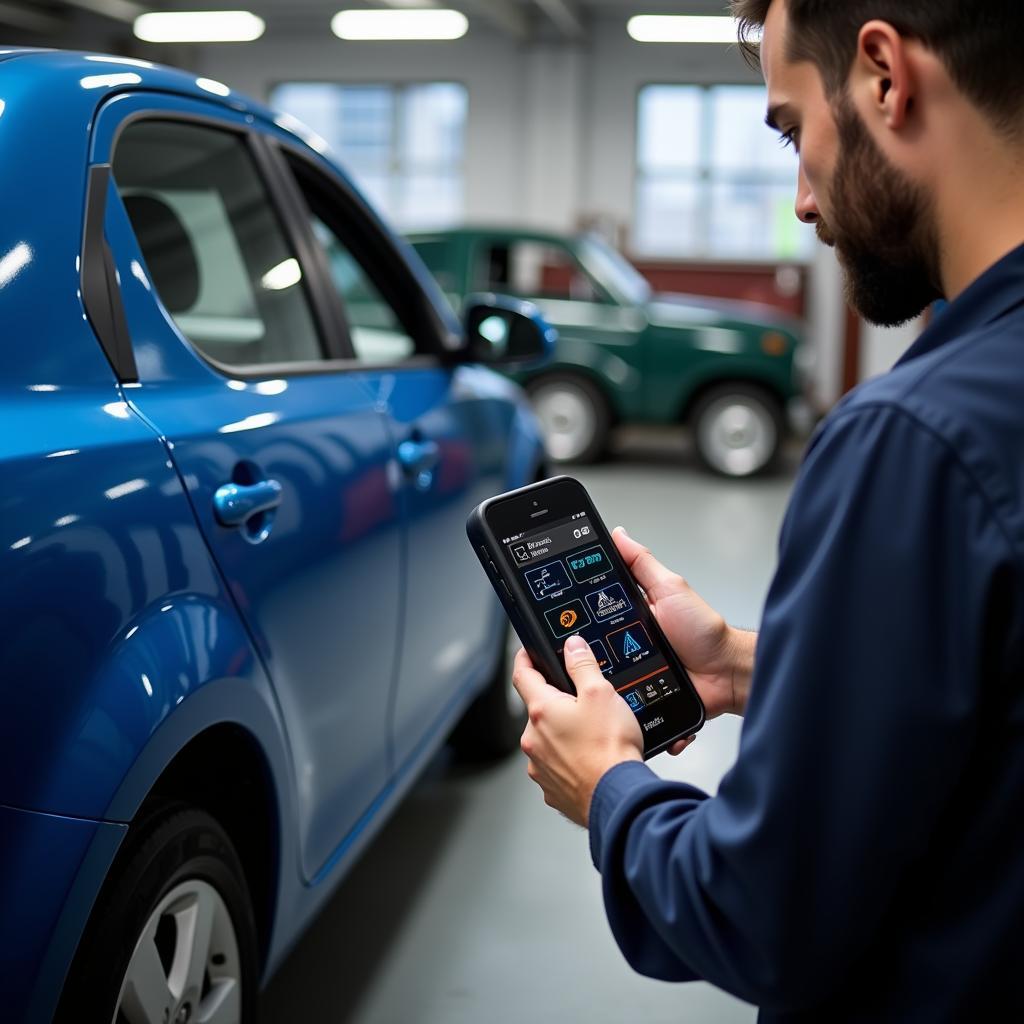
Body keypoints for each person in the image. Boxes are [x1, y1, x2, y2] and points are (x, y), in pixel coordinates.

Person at [511, 1, 1024, 1019]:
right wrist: (744, 665)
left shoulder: (911, 441)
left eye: (793, 130)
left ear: (883, 76)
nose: (800, 200)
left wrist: (606, 784)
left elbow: (756, 913)